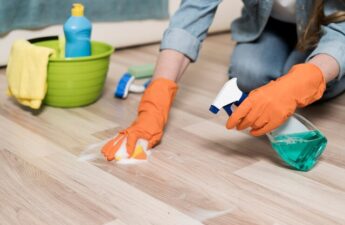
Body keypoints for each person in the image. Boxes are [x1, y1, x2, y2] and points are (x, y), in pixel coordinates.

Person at [102, 0, 345, 161]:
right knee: (249, 74)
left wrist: (308, 77)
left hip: (332, 23)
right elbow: (193, 13)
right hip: (271, 24)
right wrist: (156, 97)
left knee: (313, 83)